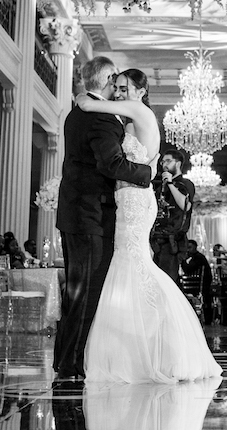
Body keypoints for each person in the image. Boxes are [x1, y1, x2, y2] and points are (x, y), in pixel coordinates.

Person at [76, 67, 222, 383]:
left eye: (124, 87)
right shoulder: (135, 116)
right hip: (132, 198)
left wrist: (84, 90)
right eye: (116, 87)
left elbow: (86, 105)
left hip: (134, 200)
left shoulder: (135, 110)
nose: (118, 92)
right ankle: (142, 342)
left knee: (131, 263)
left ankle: (146, 344)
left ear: (141, 91)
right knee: (132, 264)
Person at [53, 58, 154, 381]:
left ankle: (65, 359)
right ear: (108, 80)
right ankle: (70, 364)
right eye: (116, 82)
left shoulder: (78, 113)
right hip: (90, 216)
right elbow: (111, 164)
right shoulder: (101, 120)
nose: (119, 88)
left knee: (77, 291)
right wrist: (148, 173)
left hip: (76, 214)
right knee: (86, 292)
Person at [151, 149, 195, 283]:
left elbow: (185, 206)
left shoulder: (185, 184)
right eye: (163, 161)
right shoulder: (159, 187)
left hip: (173, 241)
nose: (164, 164)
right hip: (157, 240)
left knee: (167, 281)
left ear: (178, 163)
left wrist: (170, 184)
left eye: (168, 161)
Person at [181, 239, 214, 325]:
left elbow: (188, 269)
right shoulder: (196, 257)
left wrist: (183, 261)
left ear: (195, 247)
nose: (188, 250)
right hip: (198, 286)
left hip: (199, 286)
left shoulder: (198, 258)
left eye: (190, 247)